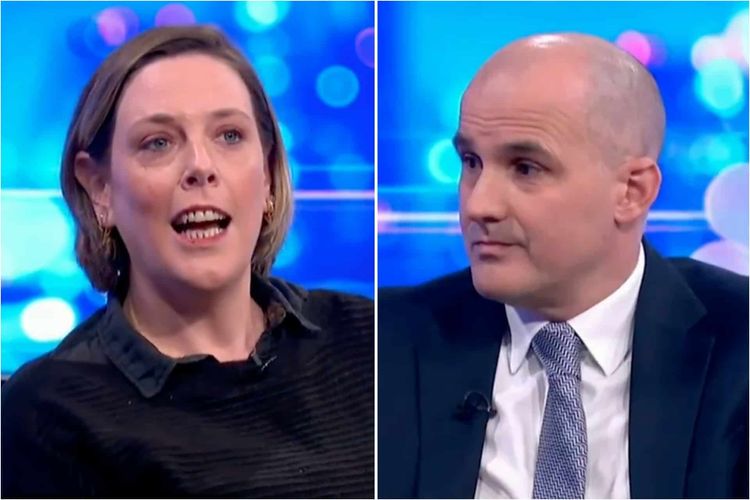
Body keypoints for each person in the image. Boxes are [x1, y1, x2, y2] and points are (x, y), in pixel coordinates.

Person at [2, 25, 373, 498]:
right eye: (158, 142)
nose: (201, 166)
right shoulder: (49, 412)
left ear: (267, 176)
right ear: (100, 189)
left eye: (230, 135)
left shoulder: (368, 339)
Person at [378, 33, 747, 499]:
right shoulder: (383, 343)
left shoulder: (739, 344)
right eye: (471, 162)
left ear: (632, 192)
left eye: (526, 168)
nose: (478, 205)